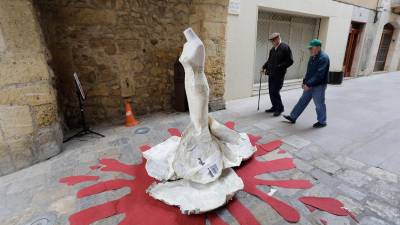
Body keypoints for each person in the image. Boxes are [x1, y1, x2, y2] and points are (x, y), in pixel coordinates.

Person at [283, 39, 330, 128]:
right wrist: (304, 82)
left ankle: (322, 122)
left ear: (318, 48)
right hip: (310, 84)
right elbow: (309, 71)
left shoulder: (323, 58)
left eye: (312, 48)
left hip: (319, 86)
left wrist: (308, 84)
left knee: (319, 104)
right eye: (310, 48)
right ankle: (293, 117)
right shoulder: (313, 56)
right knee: (302, 101)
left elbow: (319, 75)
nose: (310, 50)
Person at [261, 33, 293, 117]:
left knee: (275, 91)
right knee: (271, 91)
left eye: (273, 40)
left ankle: (280, 108)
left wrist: (280, 67)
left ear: (278, 38)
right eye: (271, 41)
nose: (272, 42)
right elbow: (269, 60)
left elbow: (290, 61)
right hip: (271, 73)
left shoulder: (285, 47)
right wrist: (264, 67)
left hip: (279, 74)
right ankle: (274, 106)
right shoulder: (272, 49)